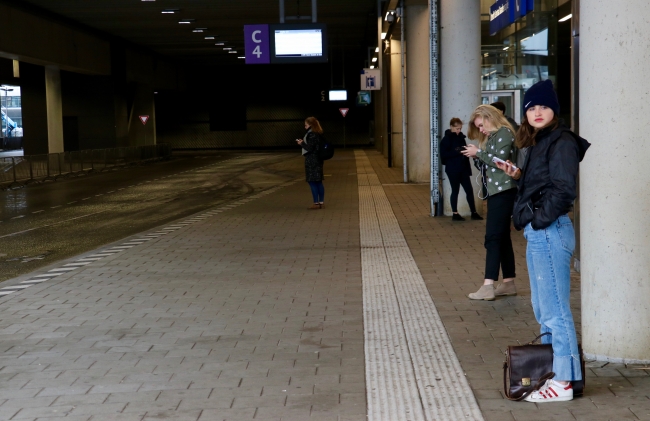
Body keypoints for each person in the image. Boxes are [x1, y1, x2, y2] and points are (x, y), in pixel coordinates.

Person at [496, 80, 590, 402]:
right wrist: (520, 177)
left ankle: (563, 382)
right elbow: (547, 181)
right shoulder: (541, 140)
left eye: (543, 107)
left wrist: (538, 219)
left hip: (549, 229)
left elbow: (564, 188)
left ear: (554, 110)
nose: (537, 112)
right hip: (541, 231)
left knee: (555, 311)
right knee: (544, 308)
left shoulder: (561, 140)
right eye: (531, 108)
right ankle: (556, 375)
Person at [461, 105, 517, 300]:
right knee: (501, 237)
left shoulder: (504, 133)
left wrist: (478, 153)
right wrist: (478, 155)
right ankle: (508, 282)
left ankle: (488, 284)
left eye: (481, 125)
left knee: (492, 237)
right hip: (497, 192)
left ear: (489, 117)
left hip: (504, 191)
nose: (481, 130)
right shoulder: (493, 137)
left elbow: (500, 161)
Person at [440, 118, 482, 221]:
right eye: (456, 128)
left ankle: (474, 212)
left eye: (460, 128)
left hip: (463, 168)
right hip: (453, 169)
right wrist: (457, 152)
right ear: (451, 127)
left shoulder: (461, 138)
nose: (458, 131)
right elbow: (443, 156)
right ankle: (455, 213)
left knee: (469, 190)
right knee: (455, 190)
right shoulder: (446, 139)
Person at [296, 116, 325, 210]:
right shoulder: (319, 133)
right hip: (319, 159)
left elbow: (309, 148)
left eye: (306, 125)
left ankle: (315, 203)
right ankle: (321, 202)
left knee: (312, 181)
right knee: (319, 181)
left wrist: (301, 143)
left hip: (311, 160)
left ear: (310, 125)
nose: (304, 127)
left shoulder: (312, 134)